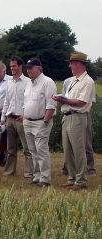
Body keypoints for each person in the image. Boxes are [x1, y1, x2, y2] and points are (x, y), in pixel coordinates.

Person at [52, 52, 95, 191]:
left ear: (79, 64)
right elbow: (70, 99)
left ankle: (81, 180)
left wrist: (63, 100)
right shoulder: (72, 81)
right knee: (68, 150)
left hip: (78, 117)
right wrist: (62, 99)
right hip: (67, 116)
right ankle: (72, 178)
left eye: (72, 63)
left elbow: (81, 102)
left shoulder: (87, 81)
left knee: (78, 150)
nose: (70, 65)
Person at [22, 58, 56, 187]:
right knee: (32, 151)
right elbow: (26, 102)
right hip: (28, 121)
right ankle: (36, 177)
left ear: (39, 69)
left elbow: (51, 105)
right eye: (27, 68)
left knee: (41, 150)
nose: (28, 70)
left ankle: (45, 179)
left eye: (31, 67)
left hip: (41, 121)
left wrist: (45, 121)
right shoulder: (29, 83)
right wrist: (25, 117)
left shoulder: (48, 82)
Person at [0, 56, 34, 178]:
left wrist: (25, 115)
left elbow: (29, 100)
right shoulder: (9, 82)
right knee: (10, 149)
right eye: (11, 66)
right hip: (10, 119)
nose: (12, 68)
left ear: (20, 66)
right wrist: (2, 119)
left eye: (14, 66)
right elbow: (6, 101)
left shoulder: (27, 82)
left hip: (21, 119)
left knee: (27, 148)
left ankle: (29, 172)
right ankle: (9, 172)